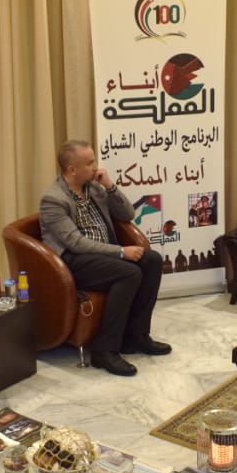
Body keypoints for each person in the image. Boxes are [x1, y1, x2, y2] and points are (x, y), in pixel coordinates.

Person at [39, 139, 168, 377]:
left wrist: (109, 186)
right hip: (74, 262)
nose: (96, 167)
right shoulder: (53, 200)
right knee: (129, 272)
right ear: (72, 169)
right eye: (89, 163)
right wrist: (121, 252)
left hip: (104, 254)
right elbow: (75, 243)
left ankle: (136, 337)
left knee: (152, 261)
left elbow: (128, 214)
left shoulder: (95, 188)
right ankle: (104, 351)